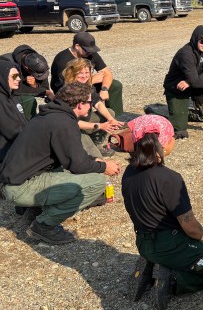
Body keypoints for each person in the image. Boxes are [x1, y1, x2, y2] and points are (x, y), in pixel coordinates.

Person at [122, 115, 203, 310]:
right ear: (162, 143)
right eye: (172, 137)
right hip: (170, 245)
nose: (174, 141)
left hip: (144, 242)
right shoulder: (169, 179)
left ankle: (155, 263)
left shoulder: (129, 171)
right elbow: (190, 227)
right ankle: (174, 280)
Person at [0, 82, 120, 245]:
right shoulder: (63, 123)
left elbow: (69, 156)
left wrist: (93, 161)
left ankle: (39, 208)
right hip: (20, 188)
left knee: (85, 171)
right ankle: (44, 225)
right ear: (80, 104)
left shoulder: (51, 115)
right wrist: (105, 167)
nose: (91, 106)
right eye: (90, 103)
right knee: (96, 182)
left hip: (16, 180)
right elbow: (77, 165)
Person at [62, 58, 125, 157]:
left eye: (87, 72)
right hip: (73, 128)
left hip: (84, 122)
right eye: (80, 73)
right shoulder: (68, 92)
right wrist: (100, 126)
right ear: (72, 73)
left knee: (110, 112)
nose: (85, 75)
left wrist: (111, 119)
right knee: (96, 157)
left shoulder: (87, 86)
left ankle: (96, 144)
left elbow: (98, 103)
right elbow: (71, 123)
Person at [50, 32, 124, 114]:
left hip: (86, 85)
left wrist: (104, 89)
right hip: (67, 93)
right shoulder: (62, 60)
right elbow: (68, 88)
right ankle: (85, 120)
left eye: (92, 50)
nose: (90, 52)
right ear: (77, 46)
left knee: (115, 85)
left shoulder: (90, 54)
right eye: (87, 50)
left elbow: (107, 73)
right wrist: (90, 80)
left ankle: (117, 118)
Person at [10, 45, 53, 119]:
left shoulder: (38, 62)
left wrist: (35, 85)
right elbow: (13, 89)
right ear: (26, 68)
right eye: (37, 75)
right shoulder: (10, 66)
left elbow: (45, 88)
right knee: (28, 100)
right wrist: (43, 92)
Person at [0, 59, 28, 162]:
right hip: (6, 153)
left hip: (17, 143)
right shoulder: (1, 100)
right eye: (14, 76)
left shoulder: (11, 95)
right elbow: (12, 131)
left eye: (19, 75)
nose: (19, 79)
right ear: (2, 77)